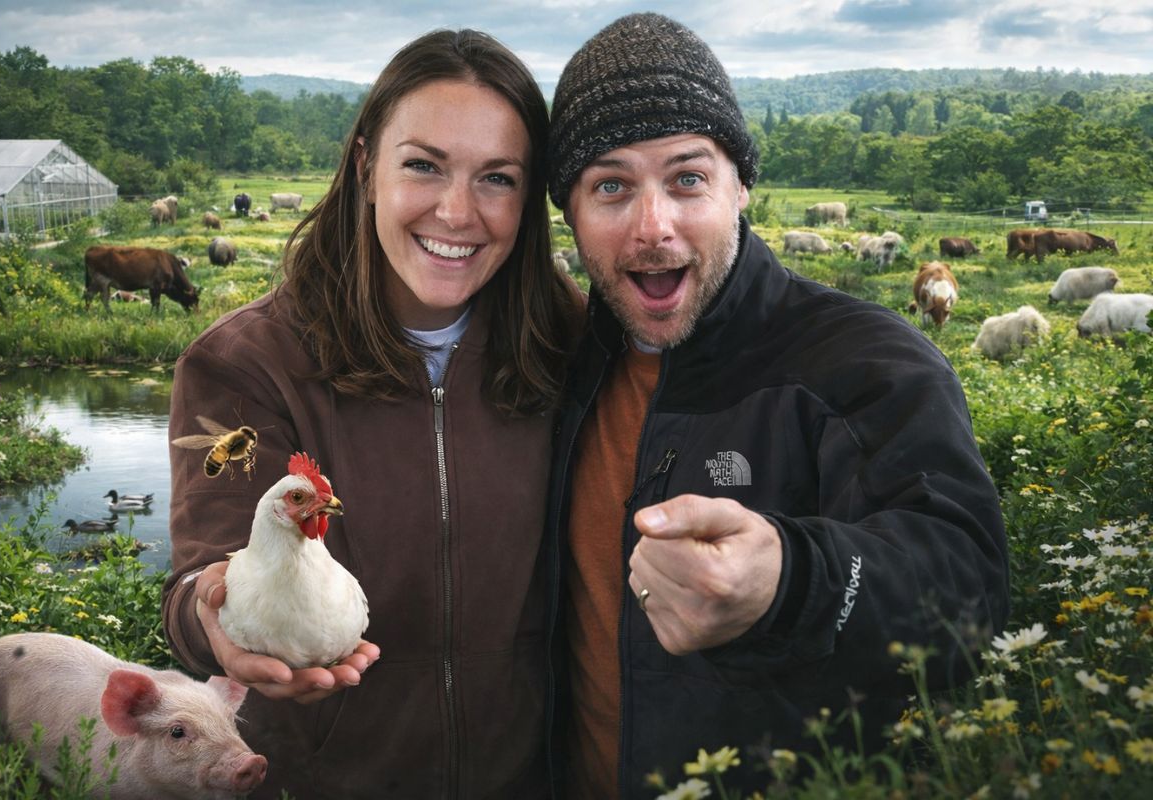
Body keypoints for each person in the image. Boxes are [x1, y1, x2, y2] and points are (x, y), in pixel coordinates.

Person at [542, 13, 1010, 797]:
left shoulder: (867, 362)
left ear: (741, 186)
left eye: (687, 179)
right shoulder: (559, 364)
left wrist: (795, 581)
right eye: (611, 186)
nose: (653, 227)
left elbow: (969, 586)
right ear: (570, 211)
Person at [161, 29, 579, 799]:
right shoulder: (245, 368)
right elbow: (206, 568)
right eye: (423, 165)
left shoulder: (573, 349)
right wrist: (210, 620)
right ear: (365, 167)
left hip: (534, 776)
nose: (457, 212)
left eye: (498, 178)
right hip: (326, 778)